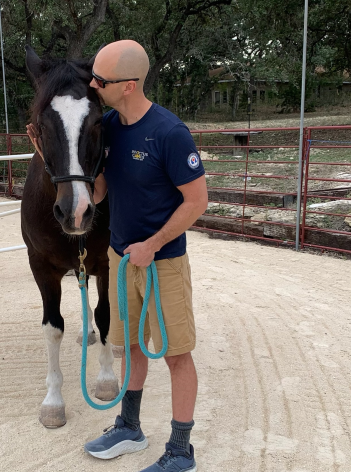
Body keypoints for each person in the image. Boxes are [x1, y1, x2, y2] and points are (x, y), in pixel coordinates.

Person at [27, 40, 208, 472]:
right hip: (121, 258)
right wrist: (47, 151)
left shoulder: (169, 132)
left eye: (101, 80)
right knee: (128, 346)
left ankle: (181, 450)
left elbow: (197, 201)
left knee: (177, 355)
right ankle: (129, 426)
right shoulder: (105, 127)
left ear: (127, 86)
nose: (93, 84)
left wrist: (154, 243)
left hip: (161, 260)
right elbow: (101, 190)